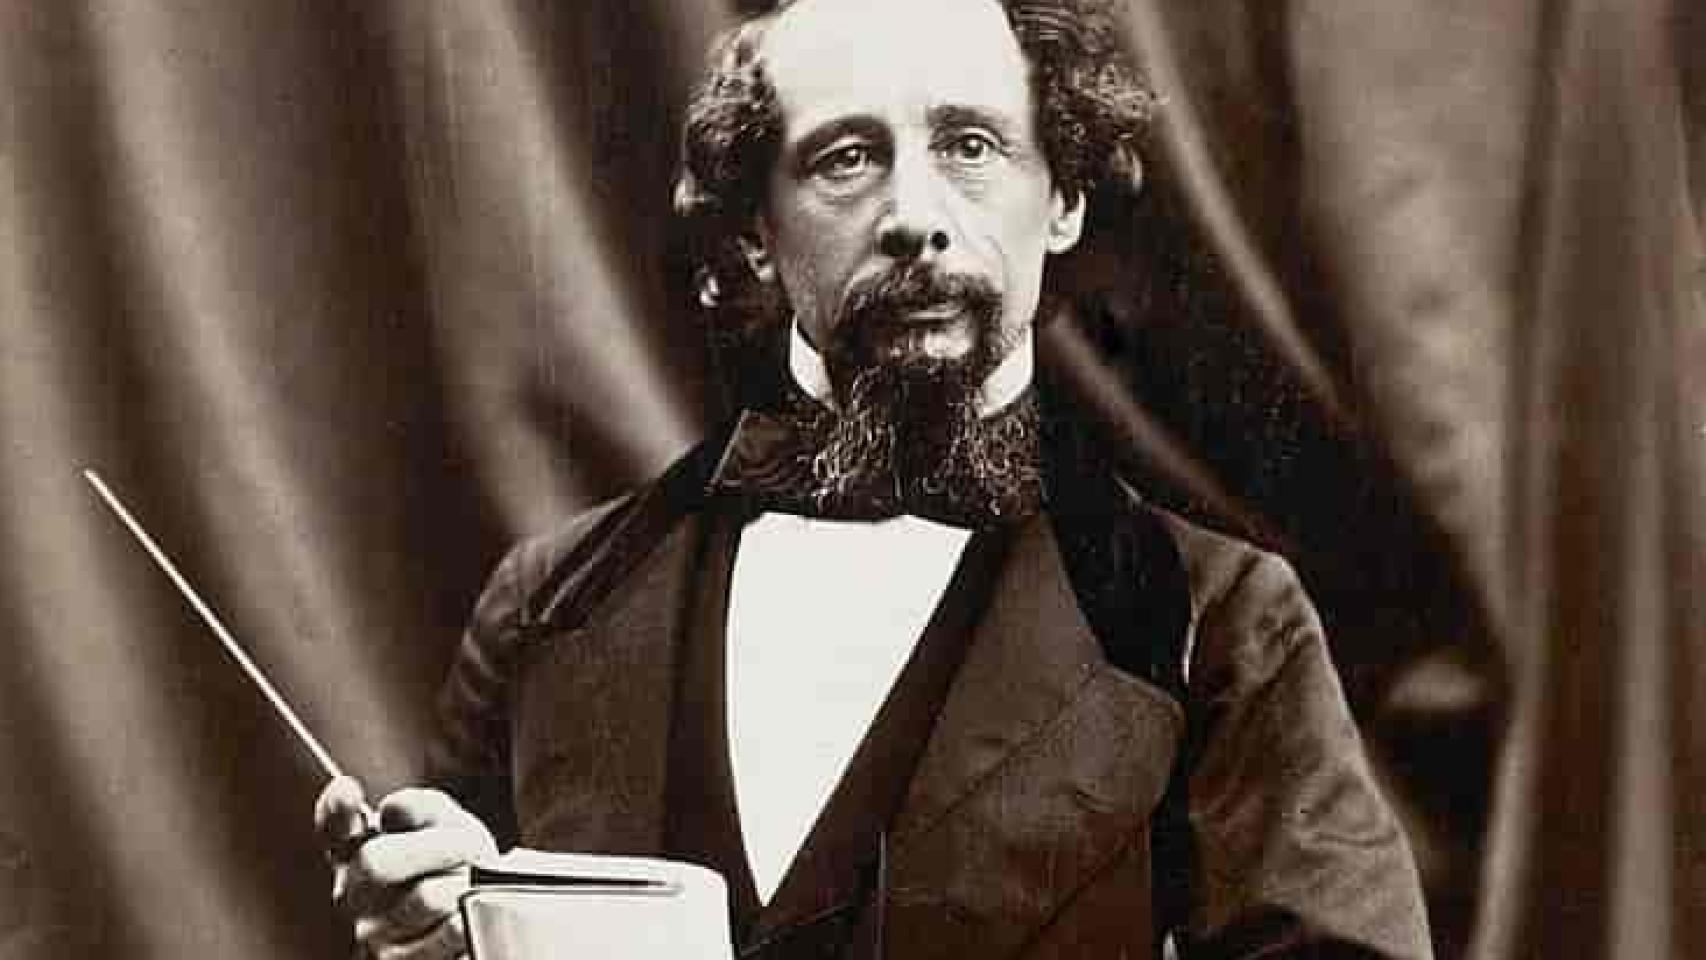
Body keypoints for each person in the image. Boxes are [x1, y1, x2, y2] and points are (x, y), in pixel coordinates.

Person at [316, 0, 1433, 957]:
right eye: (844, 158)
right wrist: (431, 934)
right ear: (755, 232)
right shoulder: (551, 606)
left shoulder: (1216, 622)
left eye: (970, 146)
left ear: (1062, 199)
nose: (914, 219)